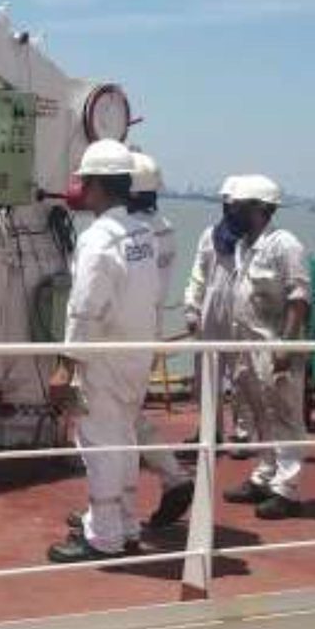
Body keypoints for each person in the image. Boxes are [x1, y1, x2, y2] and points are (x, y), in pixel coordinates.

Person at [47, 140, 172, 562]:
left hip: (103, 357)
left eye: (83, 181)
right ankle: (127, 525)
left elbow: (85, 310)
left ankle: (103, 537)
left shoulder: (99, 239)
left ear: (97, 185)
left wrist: (65, 369)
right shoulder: (143, 233)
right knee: (124, 441)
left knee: (99, 442)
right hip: (136, 354)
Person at [215, 174, 313, 520]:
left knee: (284, 415)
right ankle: (265, 475)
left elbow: (299, 297)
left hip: (274, 346)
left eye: (238, 207)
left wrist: (285, 345)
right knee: (259, 413)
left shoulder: (284, 244)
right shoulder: (244, 245)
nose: (231, 213)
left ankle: (286, 489)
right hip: (246, 343)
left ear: (260, 209)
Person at [121, 150, 195, 526]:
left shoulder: (130, 232)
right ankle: (111, 506)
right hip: (149, 332)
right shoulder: (165, 228)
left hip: (121, 336)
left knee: (112, 420)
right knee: (127, 415)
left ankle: (170, 478)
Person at [182, 177, 253, 460]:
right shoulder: (209, 235)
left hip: (242, 312)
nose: (230, 209)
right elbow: (198, 273)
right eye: (228, 203)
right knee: (206, 373)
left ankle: (243, 433)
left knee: (242, 375)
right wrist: (192, 307)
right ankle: (209, 430)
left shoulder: (257, 240)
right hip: (212, 310)